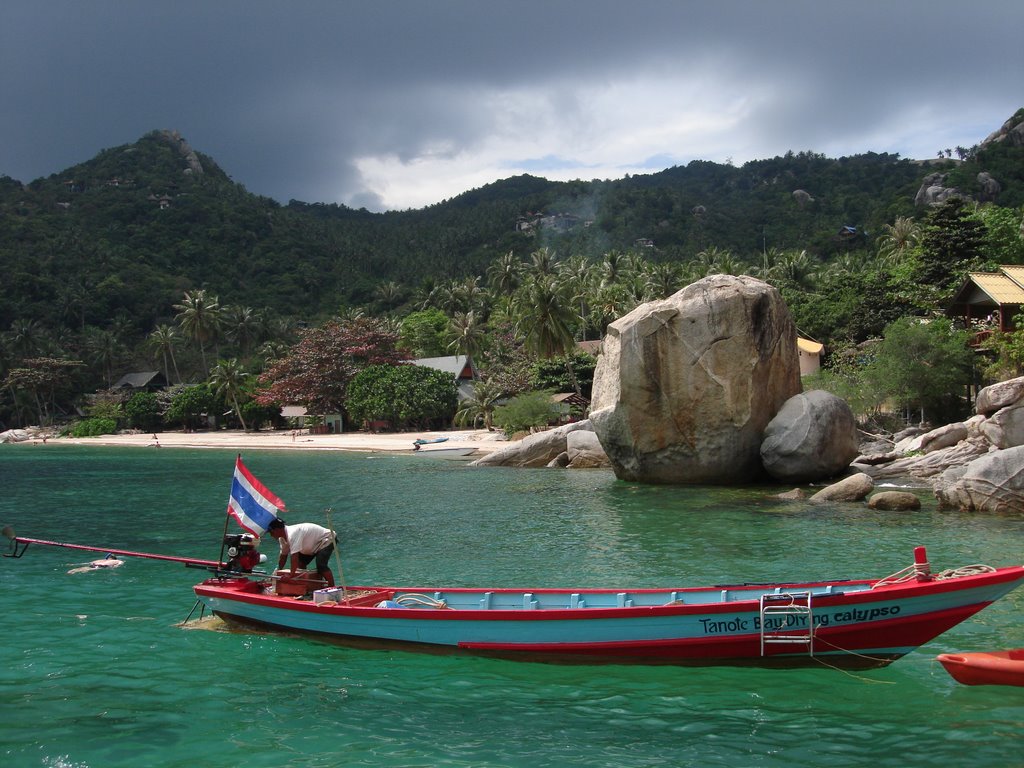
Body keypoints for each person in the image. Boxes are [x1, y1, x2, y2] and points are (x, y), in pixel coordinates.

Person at [266, 518, 337, 587]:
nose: (271, 535)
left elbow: (294, 556)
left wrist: (291, 575)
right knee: (300, 565)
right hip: (312, 543)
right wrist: (278, 571)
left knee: (321, 565)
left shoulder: (292, 534)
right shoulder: (282, 539)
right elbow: (283, 556)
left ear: (278, 529)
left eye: (272, 532)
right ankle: (305, 587)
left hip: (327, 539)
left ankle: (332, 587)